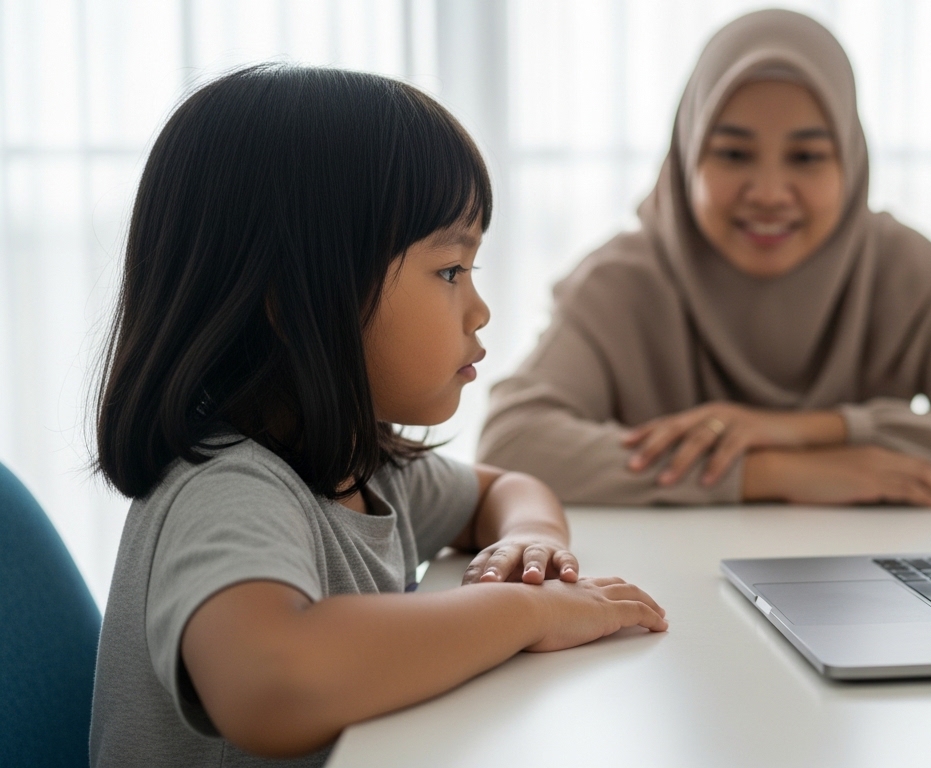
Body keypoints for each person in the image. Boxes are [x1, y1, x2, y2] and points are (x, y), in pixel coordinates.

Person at [89, 66, 666, 767]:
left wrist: (531, 540)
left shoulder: (357, 470)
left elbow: (500, 490)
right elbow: (272, 682)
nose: (479, 309)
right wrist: (527, 611)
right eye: (451, 270)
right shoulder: (228, 491)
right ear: (293, 295)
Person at [478, 10, 931, 507]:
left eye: (806, 157)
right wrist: (773, 473)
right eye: (734, 154)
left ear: (850, 162)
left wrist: (819, 431)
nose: (769, 192)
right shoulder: (623, 281)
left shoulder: (898, 269)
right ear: (687, 156)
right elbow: (513, 443)